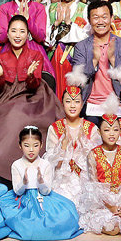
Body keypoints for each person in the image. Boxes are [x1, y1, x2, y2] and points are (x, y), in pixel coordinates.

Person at [0, 14, 61, 179]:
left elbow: (34, 85)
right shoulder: (1, 57)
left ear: (28, 35)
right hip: (8, 95)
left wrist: (31, 75)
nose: (17, 35)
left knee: (17, 116)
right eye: (14, 31)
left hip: (33, 96)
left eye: (22, 31)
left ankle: (19, 167)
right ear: (8, 34)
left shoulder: (35, 55)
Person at [0, 126, 82, 241]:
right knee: (26, 223)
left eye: (35, 145)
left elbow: (46, 191)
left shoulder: (45, 164)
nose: (31, 150)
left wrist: (41, 182)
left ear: (41, 145)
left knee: (63, 216)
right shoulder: (17, 164)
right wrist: (24, 183)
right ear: (20, 145)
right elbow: (18, 191)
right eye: (27, 146)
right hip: (24, 200)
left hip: (43, 198)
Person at [80, 113, 121, 235]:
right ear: (99, 132)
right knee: (113, 229)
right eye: (106, 130)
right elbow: (93, 186)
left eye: (115, 129)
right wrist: (110, 207)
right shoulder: (93, 154)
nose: (112, 134)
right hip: (102, 201)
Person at [69, 1, 121, 122]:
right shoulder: (81, 47)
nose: (100, 22)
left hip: (116, 105)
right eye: (95, 17)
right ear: (89, 20)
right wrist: (94, 60)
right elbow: (77, 80)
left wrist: (113, 59)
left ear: (111, 18)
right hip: (90, 106)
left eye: (104, 17)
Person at [45, 0, 91, 97]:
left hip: (75, 60)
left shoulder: (84, 8)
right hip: (54, 59)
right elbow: (46, 38)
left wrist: (67, 25)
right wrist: (57, 25)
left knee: (74, 98)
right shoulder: (51, 8)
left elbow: (85, 34)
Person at [0, 0, 54, 84]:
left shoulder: (39, 8)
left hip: (33, 48)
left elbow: (41, 37)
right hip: (10, 50)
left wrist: (28, 20)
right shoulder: (5, 8)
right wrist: (15, 27)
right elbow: (2, 37)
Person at [45, 83, 91, 215]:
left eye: (76, 102)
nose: (72, 105)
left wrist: (83, 142)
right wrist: (63, 146)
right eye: (68, 101)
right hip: (62, 179)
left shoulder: (91, 128)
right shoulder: (54, 128)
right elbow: (51, 164)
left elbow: (95, 162)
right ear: (62, 104)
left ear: (82, 104)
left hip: (84, 178)